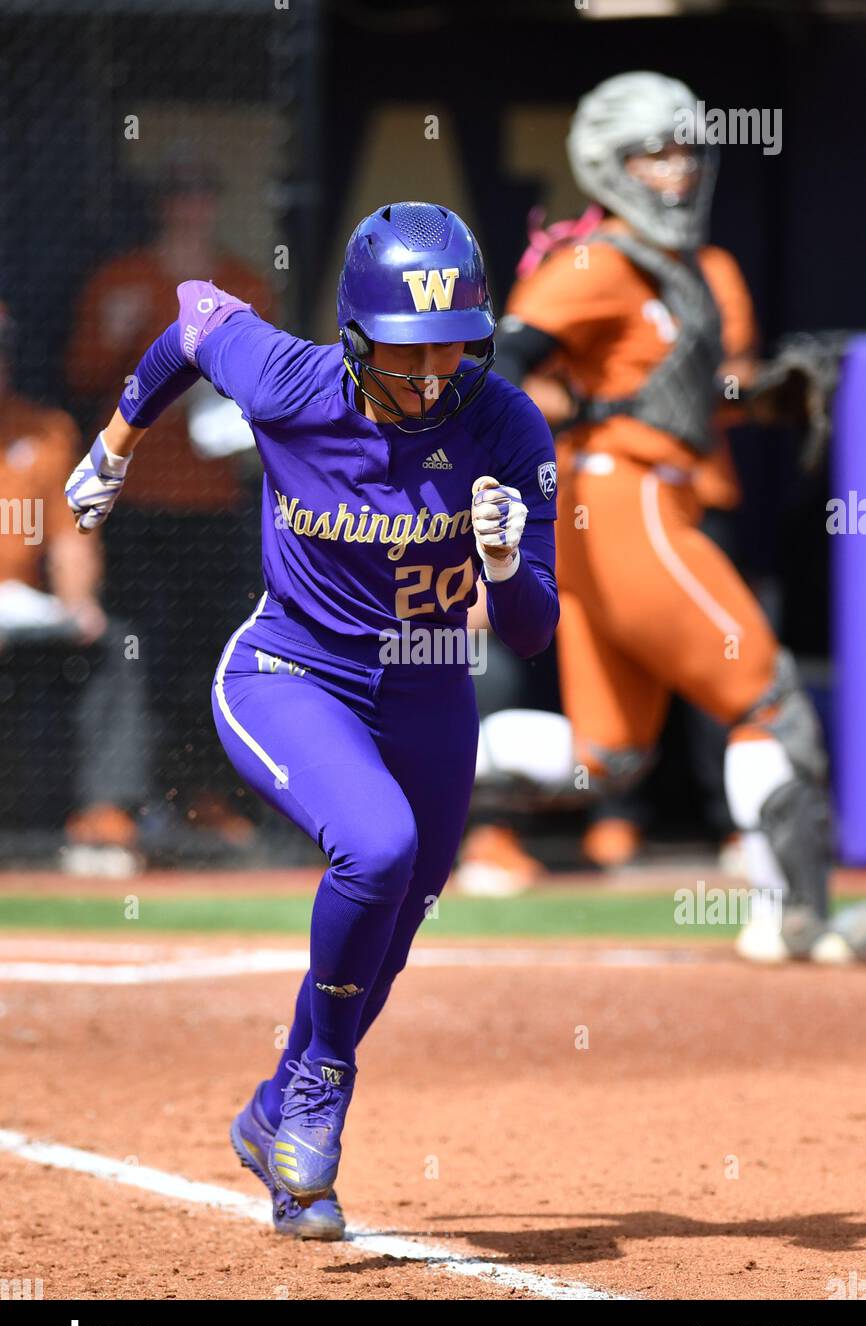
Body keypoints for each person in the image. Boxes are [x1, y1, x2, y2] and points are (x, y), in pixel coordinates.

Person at [65, 201, 559, 1238]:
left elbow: (532, 630)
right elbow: (193, 322)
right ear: (352, 335)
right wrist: (115, 444)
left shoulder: (504, 424)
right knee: (375, 848)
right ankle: (322, 1079)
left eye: (452, 347)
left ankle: (272, 1124)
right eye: (405, 350)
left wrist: (506, 564)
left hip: (429, 694)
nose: (430, 375)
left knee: (391, 927)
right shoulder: (294, 380)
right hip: (290, 673)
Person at [492, 71, 843, 964]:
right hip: (620, 500)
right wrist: (552, 409)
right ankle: (796, 914)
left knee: (604, 760)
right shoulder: (594, 259)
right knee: (767, 697)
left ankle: (424, 762)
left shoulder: (699, 269)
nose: (677, 168)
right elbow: (497, 366)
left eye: (685, 147)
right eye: (654, 151)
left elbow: (701, 393)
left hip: (653, 498)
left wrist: (763, 397)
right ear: (608, 164)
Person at [66, 144, 274, 846]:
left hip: (215, 503)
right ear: (161, 205)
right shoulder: (120, 279)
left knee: (211, 651)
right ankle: (118, 805)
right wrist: (122, 332)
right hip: (137, 501)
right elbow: (80, 373)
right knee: (132, 650)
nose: (191, 207)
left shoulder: (244, 281)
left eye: (202, 192)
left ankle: (206, 797)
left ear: (214, 203)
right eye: (178, 193)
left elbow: (270, 382)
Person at [0, 301, 148, 868]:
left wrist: (78, 604)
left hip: (22, 616)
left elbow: (69, 538)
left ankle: (102, 819)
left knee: (113, 646)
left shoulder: (44, 431)